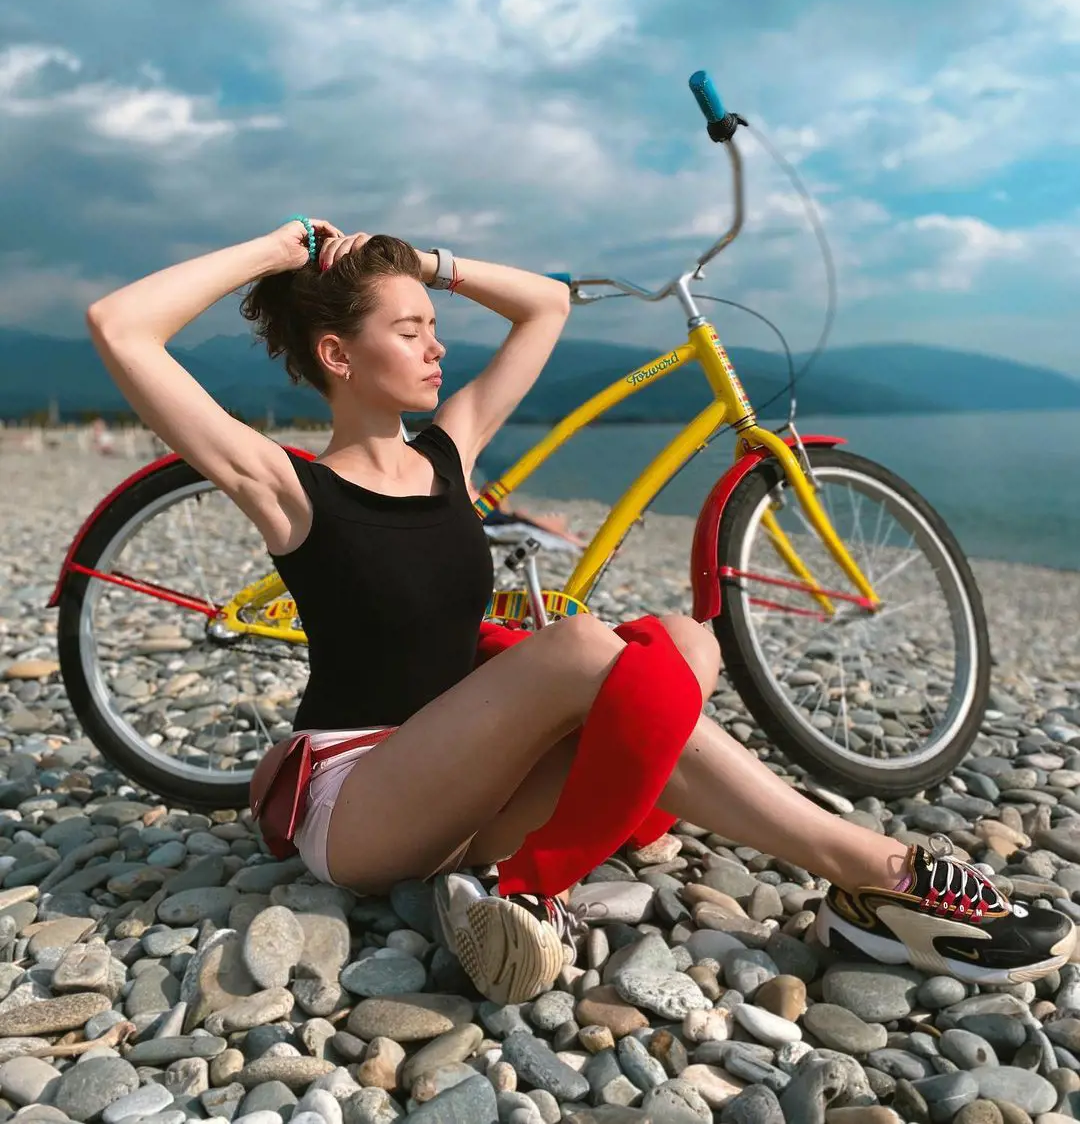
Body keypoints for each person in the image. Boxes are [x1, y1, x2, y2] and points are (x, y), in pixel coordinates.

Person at [86, 218, 1074, 1005]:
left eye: (434, 325)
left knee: (689, 642)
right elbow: (118, 325)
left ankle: (844, 884)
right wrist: (284, 247)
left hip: (471, 786)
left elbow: (546, 308)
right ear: (337, 355)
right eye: (409, 329)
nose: (437, 346)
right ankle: (865, 870)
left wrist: (427, 261)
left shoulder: (447, 453)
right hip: (363, 803)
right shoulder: (290, 486)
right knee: (582, 646)